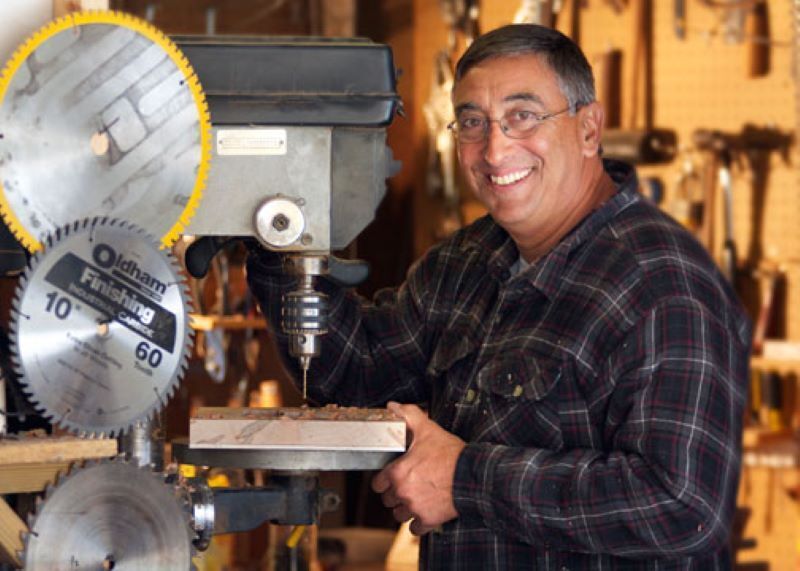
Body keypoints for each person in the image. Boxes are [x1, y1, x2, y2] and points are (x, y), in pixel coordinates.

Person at [247, 23, 751, 569]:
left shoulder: (663, 287)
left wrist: (465, 479)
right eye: (472, 122)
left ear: (589, 129)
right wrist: (273, 243)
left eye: (523, 116)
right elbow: (357, 372)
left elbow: (682, 508)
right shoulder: (466, 262)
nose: (494, 148)